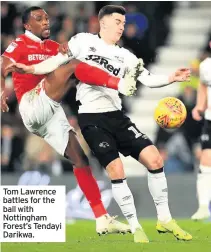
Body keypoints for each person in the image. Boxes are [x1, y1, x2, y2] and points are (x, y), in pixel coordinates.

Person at [9, 5, 192, 243]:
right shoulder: (82, 41)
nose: (122, 27)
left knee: (155, 159)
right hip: (91, 117)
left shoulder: (126, 55)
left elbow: (147, 78)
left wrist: (170, 78)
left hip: (117, 115)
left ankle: (164, 219)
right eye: (118, 22)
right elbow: (55, 62)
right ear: (103, 23)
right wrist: (30, 69)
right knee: (116, 169)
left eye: (124, 23)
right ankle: (136, 227)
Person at [0, 6, 139, 235]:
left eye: (46, 18)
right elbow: (3, 64)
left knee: (80, 159)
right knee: (72, 68)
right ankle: (119, 84)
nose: (45, 22)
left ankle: (102, 218)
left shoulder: (55, 47)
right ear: (26, 25)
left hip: (51, 111)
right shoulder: (20, 44)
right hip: (31, 104)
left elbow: (84, 65)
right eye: (38, 19)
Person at [191, 43, 211, 220]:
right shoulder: (206, 66)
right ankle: (203, 207)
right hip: (210, 120)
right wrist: (199, 105)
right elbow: (203, 85)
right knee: (205, 162)